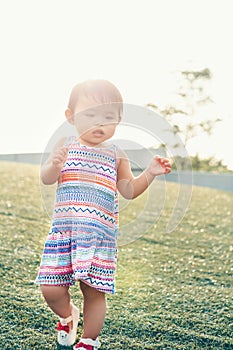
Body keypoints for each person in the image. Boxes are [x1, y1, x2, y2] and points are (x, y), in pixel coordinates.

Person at [35, 79, 172, 350]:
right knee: (50, 289)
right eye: (91, 115)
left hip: (99, 237)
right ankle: (67, 315)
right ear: (70, 117)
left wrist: (150, 173)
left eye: (108, 117)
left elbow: (128, 190)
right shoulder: (66, 143)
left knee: (94, 291)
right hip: (64, 233)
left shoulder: (116, 154)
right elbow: (47, 179)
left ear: (118, 121)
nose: (100, 123)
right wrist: (53, 165)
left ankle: (89, 340)